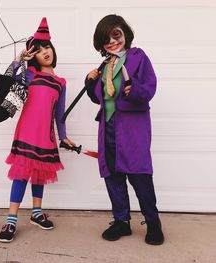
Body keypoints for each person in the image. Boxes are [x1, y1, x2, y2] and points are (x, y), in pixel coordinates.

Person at [85, 14, 164, 245]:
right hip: (108, 127)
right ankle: (121, 222)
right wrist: (90, 83)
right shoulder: (105, 64)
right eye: (106, 39)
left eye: (116, 35)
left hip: (132, 129)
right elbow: (99, 97)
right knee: (113, 175)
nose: (112, 41)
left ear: (125, 33)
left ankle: (153, 222)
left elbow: (149, 88)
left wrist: (135, 89)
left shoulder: (138, 57)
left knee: (139, 175)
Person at [0, 17, 76, 243]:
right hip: (27, 132)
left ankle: (36, 213)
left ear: (53, 50)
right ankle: (11, 220)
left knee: (40, 173)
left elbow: (59, 114)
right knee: (22, 174)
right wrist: (20, 59)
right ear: (34, 55)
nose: (45, 52)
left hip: (46, 135)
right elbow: (10, 78)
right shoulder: (30, 75)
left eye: (48, 47)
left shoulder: (60, 82)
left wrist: (64, 137)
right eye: (39, 50)